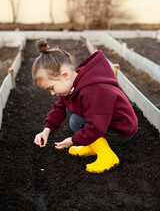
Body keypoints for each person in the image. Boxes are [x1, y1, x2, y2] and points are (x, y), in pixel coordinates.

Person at [33, 38, 138, 174]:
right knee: (70, 111)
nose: (52, 93)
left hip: (122, 128)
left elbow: (97, 126)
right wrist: (46, 130)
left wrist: (73, 140)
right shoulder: (72, 84)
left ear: (64, 75)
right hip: (106, 121)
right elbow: (59, 108)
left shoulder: (92, 91)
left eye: (51, 88)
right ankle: (91, 145)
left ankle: (108, 156)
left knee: (76, 121)